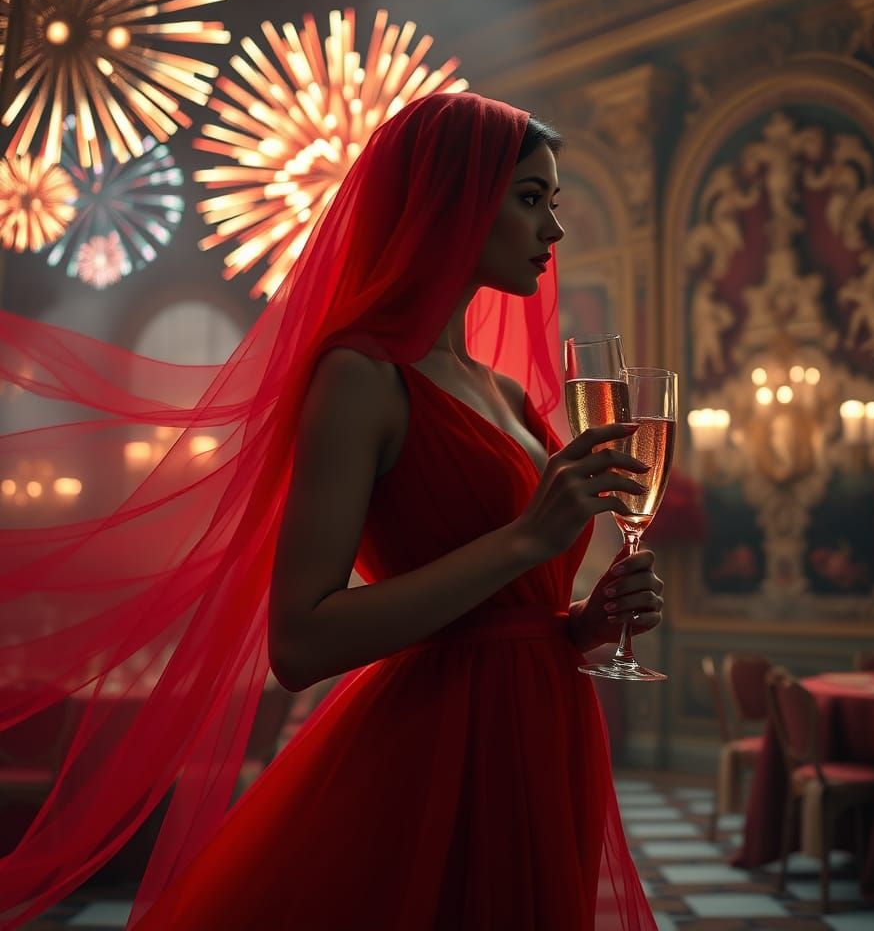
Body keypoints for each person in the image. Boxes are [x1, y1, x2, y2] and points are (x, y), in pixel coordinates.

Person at [0, 93, 663, 930]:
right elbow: (301, 641)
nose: (554, 232)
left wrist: (579, 623)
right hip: (434, 758)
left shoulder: (504, 393)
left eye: (553, 203)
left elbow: (505, 607)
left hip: (542, 737)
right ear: (450, 203)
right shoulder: (361, 377)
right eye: (530, 200)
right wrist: (529, 536)